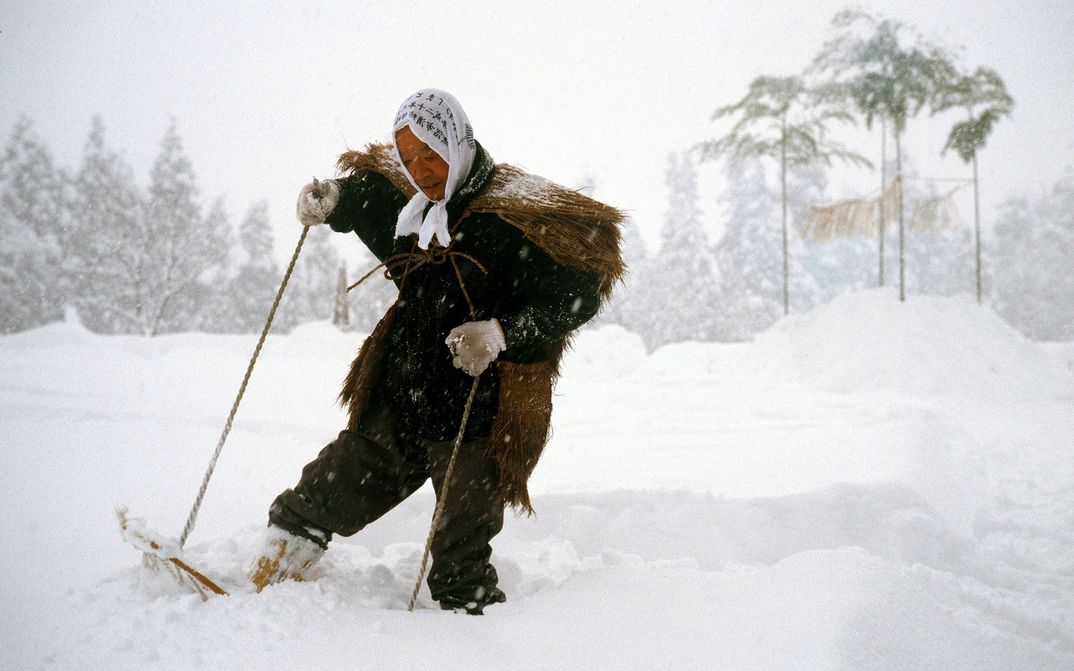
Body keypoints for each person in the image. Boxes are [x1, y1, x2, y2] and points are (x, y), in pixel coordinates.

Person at [250, 88, 624, 614]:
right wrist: (333, 198)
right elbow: (370, 201)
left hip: (479, 419)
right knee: (318, 498)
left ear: (459, 142)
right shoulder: (415, 214)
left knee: (460, 564)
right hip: (403, 401)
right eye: (409, 159)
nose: (421, 170)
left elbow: (577, 296)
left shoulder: (508, 217)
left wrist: (500, 332)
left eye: (431, 153)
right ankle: (266, 580)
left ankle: (476, 645)